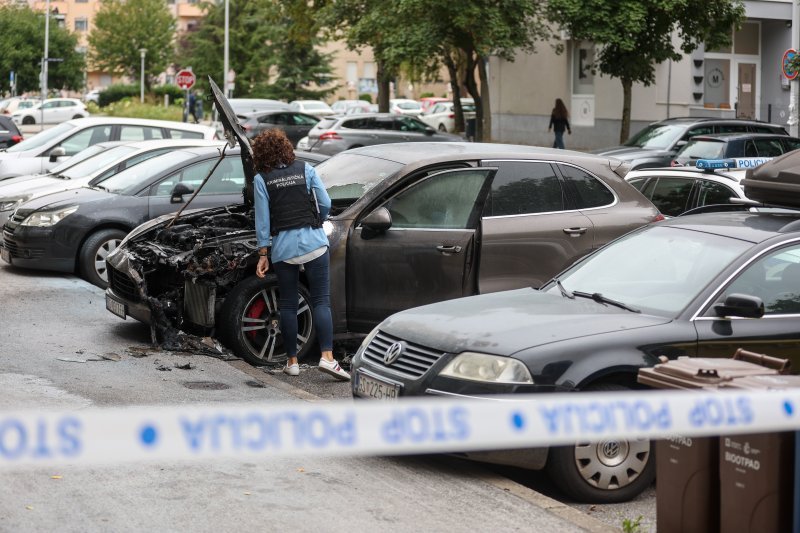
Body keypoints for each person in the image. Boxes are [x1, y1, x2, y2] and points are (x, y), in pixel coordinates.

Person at [252, 129, 350, 381]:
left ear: (260, 153)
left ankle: (292, 361)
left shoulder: (262, 179)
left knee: (287, 303)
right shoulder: (305, 169)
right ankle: (327, 358)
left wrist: (263, 253)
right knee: (320, 301)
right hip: (314, 243)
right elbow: (325, 202)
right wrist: (318, 219)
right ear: (286, 148)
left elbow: (262, 220)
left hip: (283, 248)